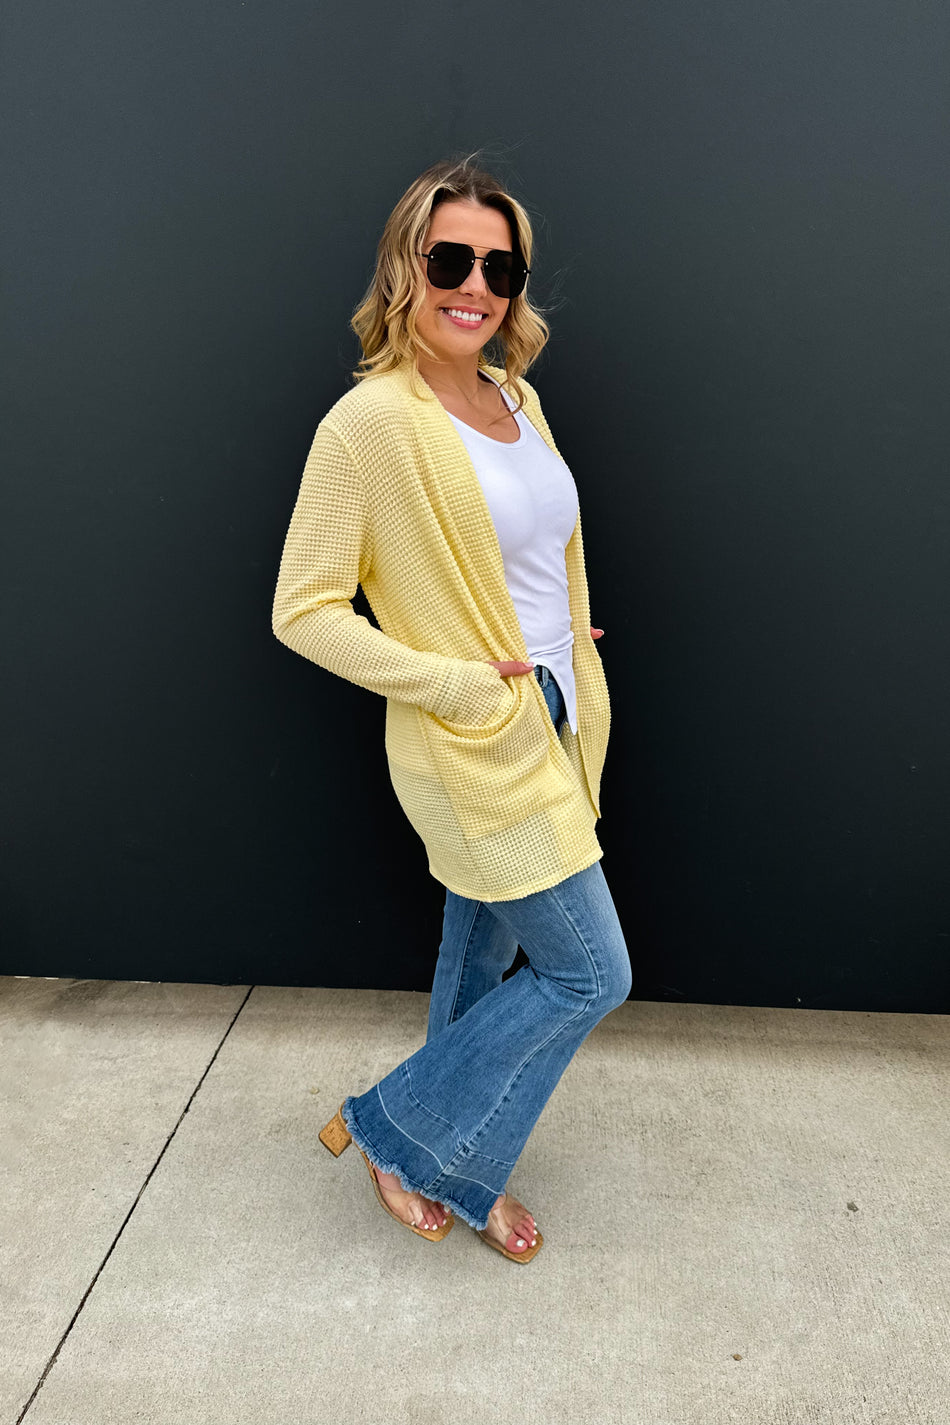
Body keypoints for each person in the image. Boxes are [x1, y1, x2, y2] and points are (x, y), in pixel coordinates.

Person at [272, 156, 631, 1263]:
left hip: (557, 717)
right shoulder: (367, 424)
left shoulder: (519, 398)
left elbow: (541, 552)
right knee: (590, 971)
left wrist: (567, 636)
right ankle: (399, 1129)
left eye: (499, 267)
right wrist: (453, 680)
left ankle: (437, 1154)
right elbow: (302, 609)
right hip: (475, 740)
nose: (475, 284)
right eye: (450, 260)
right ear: (406, 269)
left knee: (476, 958)